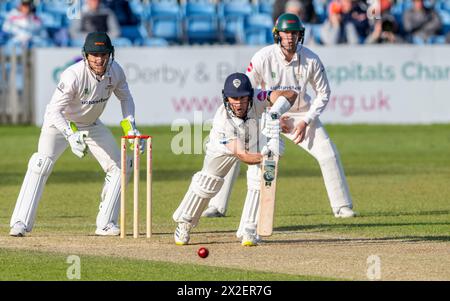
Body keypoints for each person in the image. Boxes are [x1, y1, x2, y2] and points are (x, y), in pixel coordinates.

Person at [202, 13, 356, 219]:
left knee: (328, 153)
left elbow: (324, 93)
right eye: (286, 33)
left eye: (294, 33)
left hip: (300, 115)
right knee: (236, 149)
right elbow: (247, 90)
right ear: (277, 34)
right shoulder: (263, 57)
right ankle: (216, 206)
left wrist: (305, 121)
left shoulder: (311, 59)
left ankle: (342, 206)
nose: (290, 38)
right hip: (264, 115)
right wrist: (269, 116)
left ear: (300, 35)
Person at [9, 32, 144, 237]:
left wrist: (130, 128)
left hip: (90, 124)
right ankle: (20, 222)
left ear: (110, 54)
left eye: (103, 54)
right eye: (94, 55)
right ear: (86, 55)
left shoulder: (116, 71)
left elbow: (126, 99)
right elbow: (54, 110)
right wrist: (71, 135)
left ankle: (106, 223)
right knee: (41, 163)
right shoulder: (73, 75)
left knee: (122, 165)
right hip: (59, 124)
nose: (99, 59)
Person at [172, 72, 297, 246]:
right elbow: (242, 155)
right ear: (226, 98)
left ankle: (249, 230)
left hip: (253, 136)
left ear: (250, 96)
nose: (239, 103)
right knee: (208, 182)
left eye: (243, 98)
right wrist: (266, 158)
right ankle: (184, 222)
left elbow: (291, 94)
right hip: (224, 147)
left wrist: (276, 111)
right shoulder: (222, 121)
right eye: (234, 98)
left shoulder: (258, 98)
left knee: (258, 178)